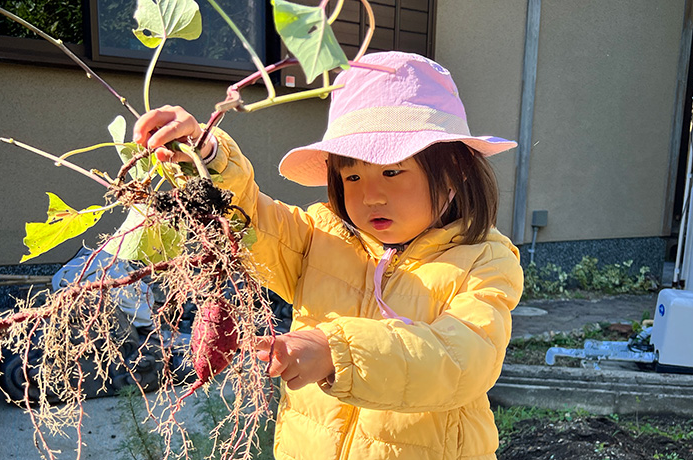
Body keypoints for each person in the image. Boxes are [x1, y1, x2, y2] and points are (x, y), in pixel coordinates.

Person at [133, 51, 524, 460]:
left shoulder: (485, 261)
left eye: (392, 171)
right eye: (352, 175)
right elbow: (253, 217)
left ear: (454, 172)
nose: (370, 195)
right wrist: (207, 156)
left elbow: (464, 359)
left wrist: (336, 350)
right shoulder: (321, 236)